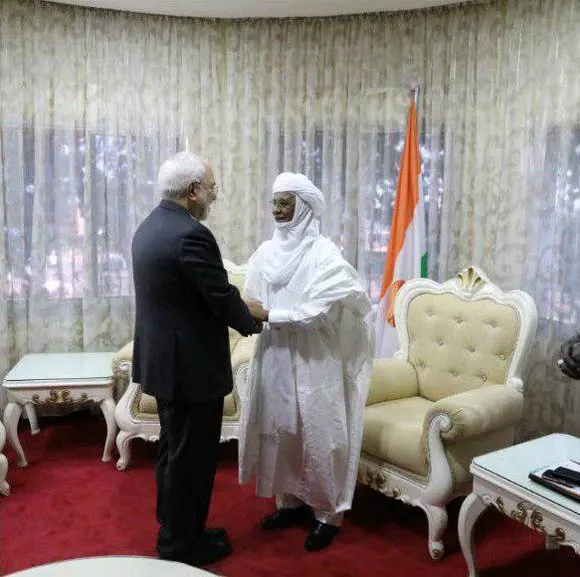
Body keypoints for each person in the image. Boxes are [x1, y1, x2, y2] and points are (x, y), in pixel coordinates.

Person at [131, 151, 268, 567]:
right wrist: (252, 316)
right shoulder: (192, 234)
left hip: (166, 365)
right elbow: (218, 295)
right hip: (190, 370)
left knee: (174, 452)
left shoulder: (149, 226)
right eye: (211, 187)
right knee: (192, 460)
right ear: (193, 190)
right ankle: (183, 546)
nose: (214, 195)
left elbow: (188, 294)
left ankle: (175, 530)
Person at [238, 172, 373, 551]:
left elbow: (316, 313)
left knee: (320, 436)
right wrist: (258, 314)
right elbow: (251, 297)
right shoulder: (266, 252)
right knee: (281, 432)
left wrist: (270, 314)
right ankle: (290, 503)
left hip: (315, 359)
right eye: (275, 203)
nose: (277, 210)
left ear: (305, 208)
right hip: (275, 355)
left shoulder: (324, 255)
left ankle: (328, 515)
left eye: (285, 203)